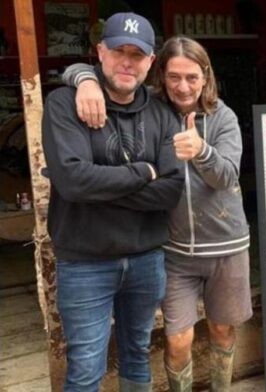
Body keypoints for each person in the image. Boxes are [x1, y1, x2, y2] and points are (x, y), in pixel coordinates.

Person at [62, 36, 253, 391]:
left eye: (192, 77)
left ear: (206, 76)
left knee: (223, 330)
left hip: (226, 246)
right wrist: (84, 79)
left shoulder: (222, 116)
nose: (183, 87)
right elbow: (107, 75)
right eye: (174, 77)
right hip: (173, 249)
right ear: (160, 75)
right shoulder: (150, 111)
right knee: (178, 340)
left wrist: (201, 150)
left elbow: (226, 175)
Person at [42, 12, 183, 392]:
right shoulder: (64, 103)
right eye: (118, 50)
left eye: (136, 55)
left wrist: (99, 188)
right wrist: (143, 172)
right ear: (99, 52)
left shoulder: (162, 112)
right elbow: (73, 181)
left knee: (138, 353)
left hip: (146, 257)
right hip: (86, 261)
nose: (127, 61)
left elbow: (170, 191)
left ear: (150, 62)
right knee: (86, 366)